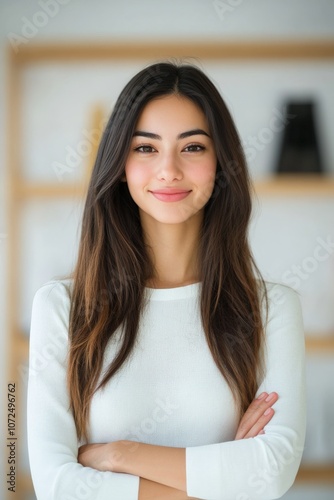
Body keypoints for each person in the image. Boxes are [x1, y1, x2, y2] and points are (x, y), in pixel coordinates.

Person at [27, 61, 306, 500]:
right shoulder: (63, 307)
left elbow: (270, 473)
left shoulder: (271, 309)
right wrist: (221, 480)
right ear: (120, 164)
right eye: (145, 148)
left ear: (221, 163)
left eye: (193, 147)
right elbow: (56, 486)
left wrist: (118, 455)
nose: (169, 170)